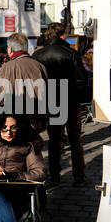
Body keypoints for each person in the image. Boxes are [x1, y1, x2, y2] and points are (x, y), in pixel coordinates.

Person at [32, 22, 90, 187]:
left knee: (55, 140)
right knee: (75, 140)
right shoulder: (71, 53)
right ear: (60, 35)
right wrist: (77, 99)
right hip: (70, 102)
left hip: (52, 102)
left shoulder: (38, 55)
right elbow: (82, 80)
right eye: (64, 34)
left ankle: (55, 175)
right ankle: (79, 176)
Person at [0, 32, 48, 146]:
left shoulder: (6, 68)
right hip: (36, 122)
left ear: (10, 49)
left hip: (15, 124)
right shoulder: (39, 66)